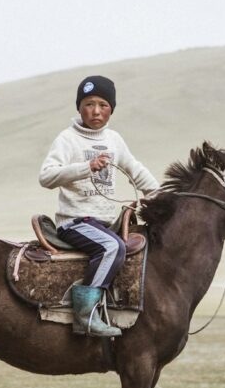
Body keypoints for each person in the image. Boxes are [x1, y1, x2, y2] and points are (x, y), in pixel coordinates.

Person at [39, 75, 159, 337]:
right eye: (89, 104)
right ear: (79, 107)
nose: (95, 111)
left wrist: (160, 195)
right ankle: (86, 316)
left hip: (104, 222)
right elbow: (46, 176)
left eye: (103, 104)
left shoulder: (114, 139)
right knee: (111, 247)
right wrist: (86, 167)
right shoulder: (67, 139)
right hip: (74, 222)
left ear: (111, 109)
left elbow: (135, 169)